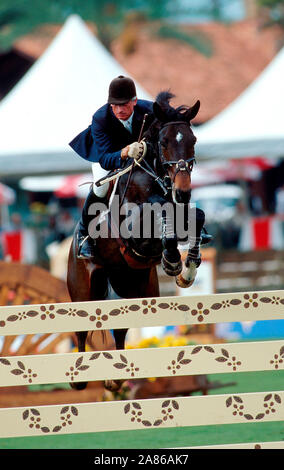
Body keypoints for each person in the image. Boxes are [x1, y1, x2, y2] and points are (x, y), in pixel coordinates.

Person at [69, 75, 153, 259]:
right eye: (115, 105)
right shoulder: (100, 118)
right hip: (108, 156)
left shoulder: (150, 110)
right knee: (101, 187)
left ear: (135, 101)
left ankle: (189, 224)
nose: (120, 109)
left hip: (141, 156)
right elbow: (105, 159)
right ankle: (85, 234)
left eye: (124, 104)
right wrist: (123, 153)